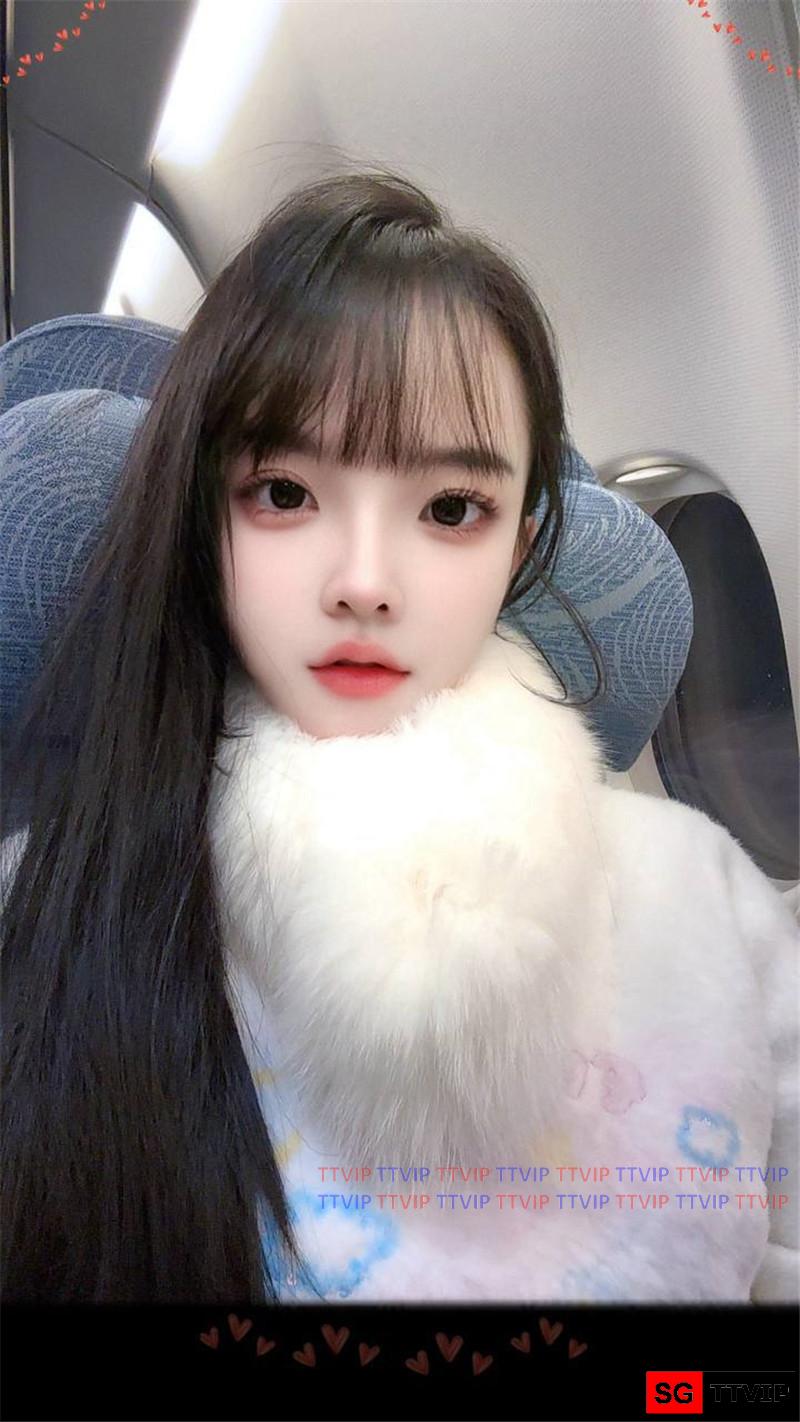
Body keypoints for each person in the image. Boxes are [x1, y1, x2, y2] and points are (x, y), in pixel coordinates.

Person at [1, 169, 797, 1305]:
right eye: (282, 492)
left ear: (520, 546)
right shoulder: (41, 905)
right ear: (196, 517)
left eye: (450, 509)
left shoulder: (708, 901)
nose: (365, 582)